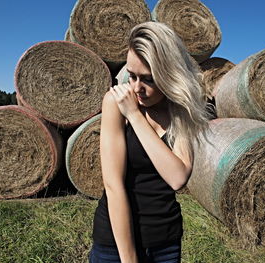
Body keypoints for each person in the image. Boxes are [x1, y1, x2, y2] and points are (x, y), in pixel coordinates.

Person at [89, 21, 209, 263]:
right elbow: (114, 187)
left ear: (168, 75)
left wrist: (134, 116)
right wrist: (129, 258)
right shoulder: (115, 102)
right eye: (131, 76)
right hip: (116, 244)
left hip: (165, 242)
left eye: (148, 79)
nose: (136, 88)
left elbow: (176, 177)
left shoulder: (181, 110)